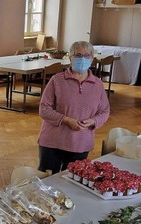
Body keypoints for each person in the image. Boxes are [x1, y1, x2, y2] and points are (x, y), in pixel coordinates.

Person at [37, 41, 111, 174]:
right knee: (46, 182)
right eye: (78, 55)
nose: (82, 59)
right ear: (70, 58)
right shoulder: (57, 80)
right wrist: (66, 120)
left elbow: (105, 111)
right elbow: (44, 109)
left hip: (81, 143)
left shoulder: (97, 84)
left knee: (71, 182)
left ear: (92, 59)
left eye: (87, 55)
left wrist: (93, 121)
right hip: (52, 142)